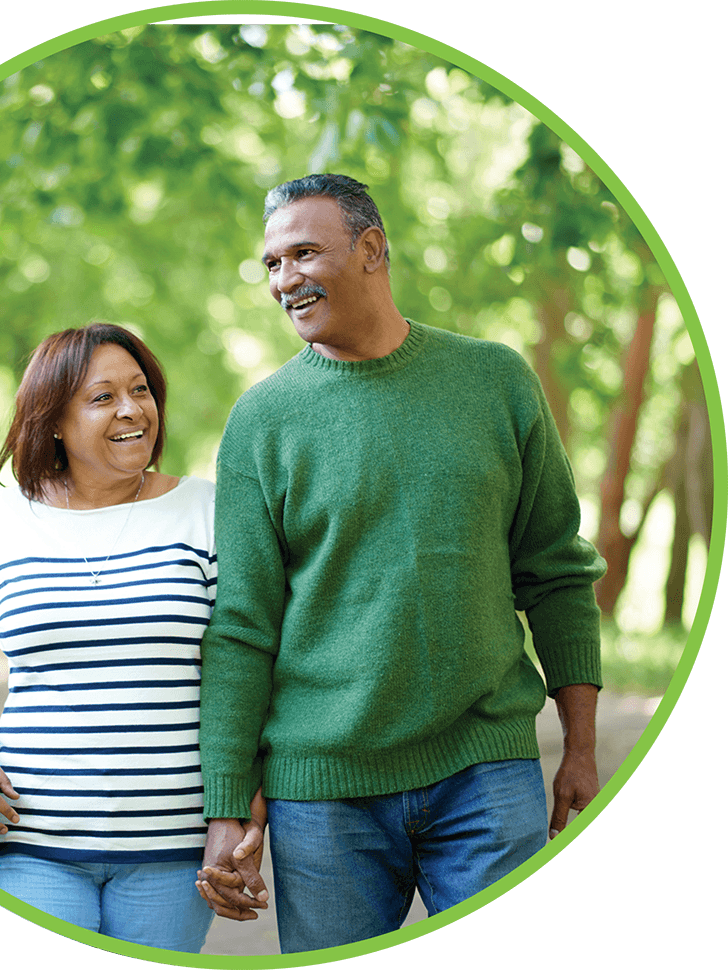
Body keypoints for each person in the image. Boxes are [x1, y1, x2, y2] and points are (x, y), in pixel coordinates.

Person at [194, 174, 607, 952]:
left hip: (486, 770)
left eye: (304, 254)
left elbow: (554, 571)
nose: (284, 280)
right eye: (271, 265)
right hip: (324, 794)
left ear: (372, 250)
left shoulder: (495, 380)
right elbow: (242, 626)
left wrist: (578, 746)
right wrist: (227, 807)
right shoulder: (262, 422)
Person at [0, 322, 265, 953]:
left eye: (141, 391)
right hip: (33, 841)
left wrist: (237, 815)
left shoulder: (208, 512)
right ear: (53, 420)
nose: (132, 410)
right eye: (102, 397)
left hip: (173, 849)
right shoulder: (1, 521)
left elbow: (245, 673)